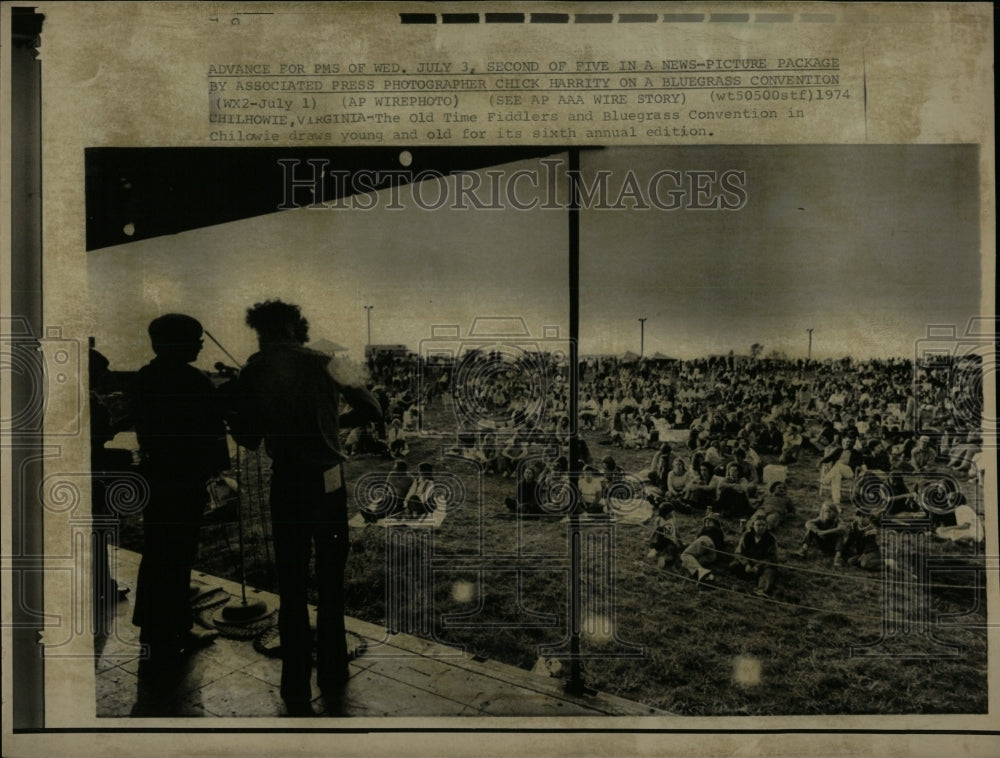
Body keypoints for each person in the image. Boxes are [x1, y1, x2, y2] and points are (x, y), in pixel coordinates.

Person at [230, 300, 382, 716]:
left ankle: (294, 681)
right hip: (328, 482)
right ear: (299, 328)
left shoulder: (254, 368)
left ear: (263, 331)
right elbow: (373, 408)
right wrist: (334, 425)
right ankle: (333, 669)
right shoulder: (328, 361)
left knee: (292, 581)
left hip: (288, 484)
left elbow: (246, 439)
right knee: (331, 578)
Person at [131, 314, 229, 677]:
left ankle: (155, 634)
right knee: (178, 556)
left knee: (158, 554)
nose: (201, 344)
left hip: (156, 478)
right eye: (195, 339)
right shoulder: (192, 380)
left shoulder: (144, 377)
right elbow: (212, 431)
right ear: (177, 343)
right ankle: (173, 636)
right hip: (183, 482)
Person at [729, 517, 779, 597]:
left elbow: (772, 558)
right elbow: (739, 552)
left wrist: (758, 566)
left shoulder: (771, 539)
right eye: (758, 525)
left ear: (766, 526)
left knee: (770, 570)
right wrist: (746, 564)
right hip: (748, 562)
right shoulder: (747, 535)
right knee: (734, 565)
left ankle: (762, 590)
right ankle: (750, 578)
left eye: (763, 525)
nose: (761, 527)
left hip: (762, 564)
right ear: (753, 525)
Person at [679, 514, 726, 584]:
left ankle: (702, 572)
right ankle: (708, 576)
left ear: (715, 523)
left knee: (685, 555)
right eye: (706, 521)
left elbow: (698, 539)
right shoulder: (720, 534)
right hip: (713, 554)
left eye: (710, 521)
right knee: (686, 563)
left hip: (705, 541)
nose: (707, 523)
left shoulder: (708, 529)